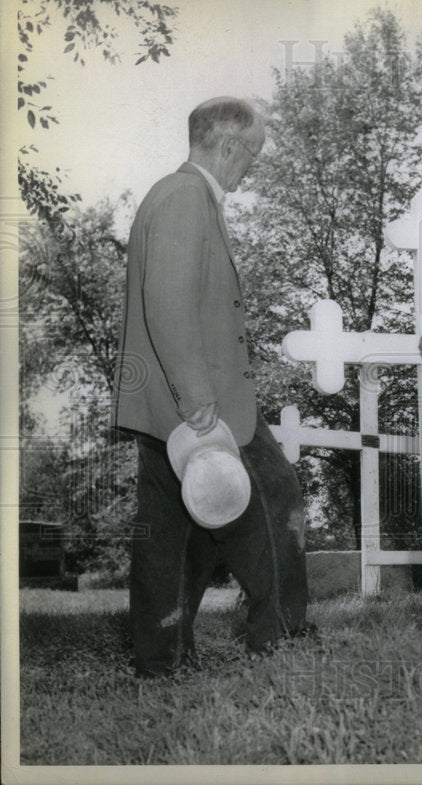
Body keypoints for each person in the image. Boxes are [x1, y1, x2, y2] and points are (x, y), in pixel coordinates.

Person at [113, 97, 311, 678]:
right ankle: (282, 641)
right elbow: (168, 302)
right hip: (201, 405)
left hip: (170, 406)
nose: (252, 164)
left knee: (174, 536)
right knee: (278, 501)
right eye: (253, 152)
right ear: (228, 145)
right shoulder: (183, 198)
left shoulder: (181, 197)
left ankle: (162, 659)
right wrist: (198, 398)